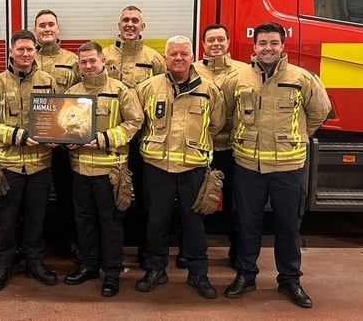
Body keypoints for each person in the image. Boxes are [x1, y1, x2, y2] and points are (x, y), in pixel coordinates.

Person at [221, 22, 331, 308]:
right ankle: (245, 275)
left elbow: (319, 112)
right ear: (254, 46)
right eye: (262, 43)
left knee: (288, 227)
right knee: (247, 225)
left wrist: (294, 139)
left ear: (283, 46)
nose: (267, 48)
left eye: (273, 43)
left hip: (288, 167)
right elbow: (227, 114)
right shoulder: (237, 78)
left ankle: (290, 279)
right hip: (248, 165)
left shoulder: (302, 78)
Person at [134, 35, 224, 297]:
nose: (178, 58)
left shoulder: (209, 89)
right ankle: (155, 270)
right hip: (157, 166)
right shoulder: (148, 87)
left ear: (192, 57)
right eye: (173, 54)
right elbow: (138, 123)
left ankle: (198, 274)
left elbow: (216, 124)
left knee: (194, 224)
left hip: (193, 167)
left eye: (184, 53)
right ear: (165, 58)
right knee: (156, 221)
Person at [0, 29, 58, 292]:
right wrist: (19, 136)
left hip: (40, 164)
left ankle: (35, 263)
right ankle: (2, 265)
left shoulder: (48, 80)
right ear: (11, 51)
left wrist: (58, 134)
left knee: (37, 218)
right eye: (20, 49)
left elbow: (59, 116)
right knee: (5, 219)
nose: (25, 54)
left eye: (30, 49)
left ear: (36, 51)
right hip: (8, 164)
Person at [62, 42, 143, 297]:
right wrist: (66, 141)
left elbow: (135, 122)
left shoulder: (121, 91)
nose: (88, 66)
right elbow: (64, 124)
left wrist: (103, 139)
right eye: (83, 62)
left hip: (110, 172)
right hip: (80, 170)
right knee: (83, 220)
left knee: (110, 224)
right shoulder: (72, 92)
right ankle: (88, 266)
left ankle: (112, 272)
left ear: (103, 60)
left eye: (92, 61)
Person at [103, 5, 167, 266]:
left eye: (135, 20)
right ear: (118, 25)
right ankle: (110, 251)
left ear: (143, 26)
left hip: (143, 140)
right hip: (110, 142)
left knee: (144, 197)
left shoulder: (155, 59)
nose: (130, 24)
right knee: (110, 197)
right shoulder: (103, 56)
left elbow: (165, 96)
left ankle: (145, 250)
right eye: (125, 20)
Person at [186, 24, 248, 267]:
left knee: (236, 204)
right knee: (197, 201)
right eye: (210, 40)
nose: (216, 44)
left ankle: (237, 252)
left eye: (220, 39)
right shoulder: (192, 70)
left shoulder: (244, 71)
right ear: (203, 44)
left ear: (228, 42)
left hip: (232, 148)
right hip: (201, 148)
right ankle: (192, 251)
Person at [32, 9, 81, 259]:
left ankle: (70, 242)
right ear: (35, 30)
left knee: (67, 194)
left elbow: (83, 97)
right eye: (42, 25)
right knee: (33, 197)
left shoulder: (73, 60)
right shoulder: (27, 57)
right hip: (33, 141)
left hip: (64, 142)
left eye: (51, 24)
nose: (47, 29)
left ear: (58, 29)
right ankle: (32, 245)